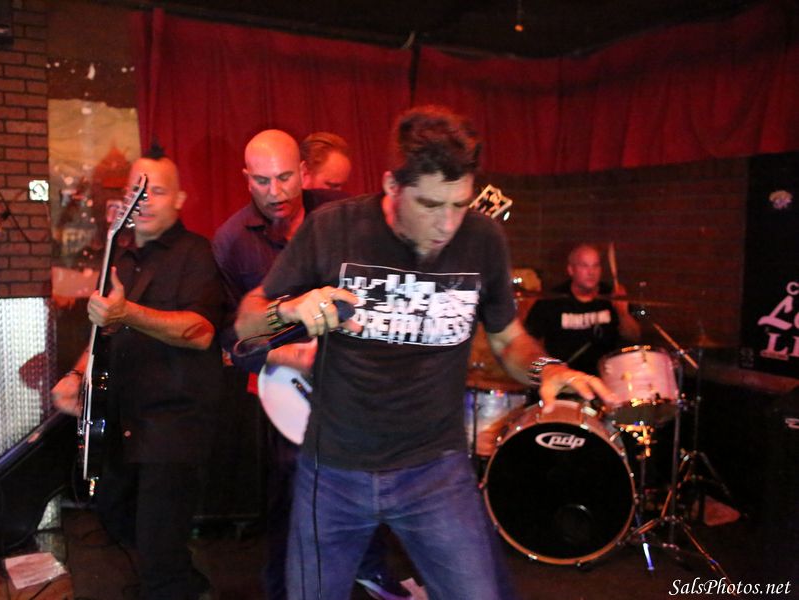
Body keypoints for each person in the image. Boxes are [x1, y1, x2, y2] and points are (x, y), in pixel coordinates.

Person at [234, 105, 616, 600]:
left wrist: (547, 368)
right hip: (334, 472)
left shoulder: (482, 239)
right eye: (431, 205)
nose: (447, 224)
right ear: (392, 186)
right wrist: (289, 310)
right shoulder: (334, 228)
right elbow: (247, 320)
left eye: (459, 204)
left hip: (435, 471)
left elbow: (508, 339)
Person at [212, 130, 409, 600]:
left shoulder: (340, 216)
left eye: (284, 178)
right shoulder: (231, 241)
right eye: (262, 181)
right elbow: (230, 337)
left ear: (303, 172)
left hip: (351, 384)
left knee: (367, 479)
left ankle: (369, 567)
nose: (275, 192)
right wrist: (295, 355)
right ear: (246, 178)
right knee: (291, 496)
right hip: (285, 389)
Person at [51, 149, 223, 600]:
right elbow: (101, 333)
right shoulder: (121, 259)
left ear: (179, 199)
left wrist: (128, 312)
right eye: (136, 191)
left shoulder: (196, 253)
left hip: (173, 424)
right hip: (124, 422)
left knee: (158, 547)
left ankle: (173, 586)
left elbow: (201, 332)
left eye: (156, 191)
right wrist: (76, 375)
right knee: (115, 516)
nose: (142, 201)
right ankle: (187, 585)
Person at [524, 243, 641, 374]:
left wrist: (622, 312)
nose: (591, 272)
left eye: (595, 266)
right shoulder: (552, 300)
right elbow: (529, 341)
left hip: (606, 375)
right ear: (571, 270)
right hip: (566, 377)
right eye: (584, 266)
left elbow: (634, 337)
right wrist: (548, 369)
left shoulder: (611, 295)